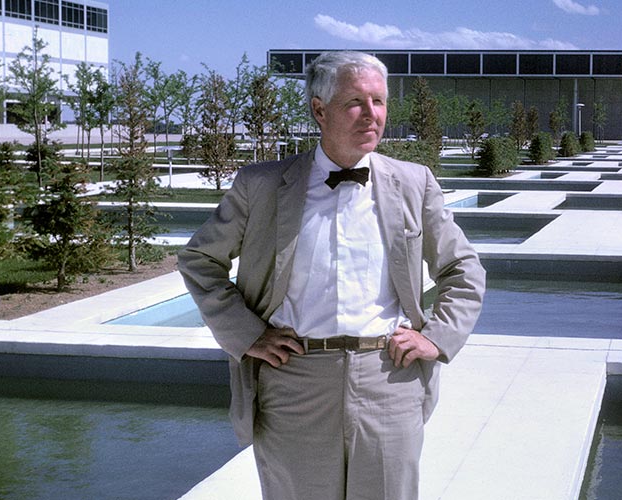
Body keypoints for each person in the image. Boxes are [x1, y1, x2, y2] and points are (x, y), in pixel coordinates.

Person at [178, 51, 486, 500]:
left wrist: (436, 337)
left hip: (389, 379)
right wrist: (247, 334)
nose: (372, 115)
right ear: (318, 109)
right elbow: (200, 261)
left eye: (379, 101)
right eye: (355, 102)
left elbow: (463, 268)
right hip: (294, 382)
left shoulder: (414, 183)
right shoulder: (261, 185)